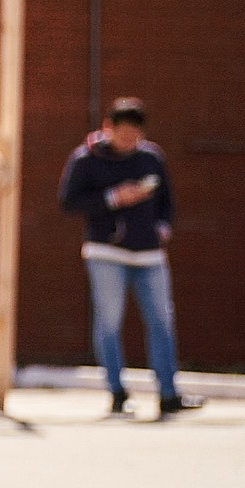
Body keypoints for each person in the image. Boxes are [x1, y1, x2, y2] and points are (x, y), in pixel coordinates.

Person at [59, 98, 198, 420]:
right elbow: (68, 202)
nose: (129, 142)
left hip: (149, 254)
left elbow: (167, 200)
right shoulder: (87, 159)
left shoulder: (151, 157)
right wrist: (113, 198)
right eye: (122, 134)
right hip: (106, 252)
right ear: (108, 128)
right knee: (109, 323)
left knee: (162, 322)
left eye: (134, 136)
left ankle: (168, 394)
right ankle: (117, 392)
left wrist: (163, 226)